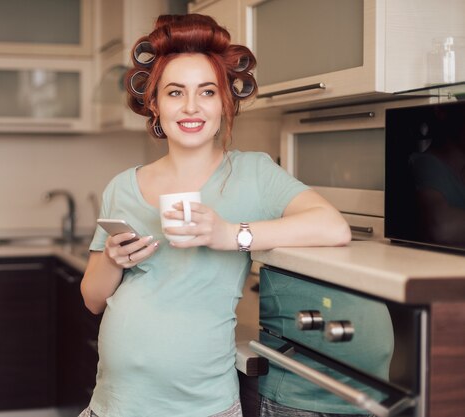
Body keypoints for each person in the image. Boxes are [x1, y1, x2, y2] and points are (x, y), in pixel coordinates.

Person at [79, 13, 351, 417]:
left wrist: (231, 234)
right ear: (153, 105)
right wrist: (114, 260)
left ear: (225, 102)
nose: (191, 106)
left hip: (203, 406)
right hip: (113, 404)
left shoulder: (253, 174)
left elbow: (333, 227)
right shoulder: (123, 185)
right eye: (175, 93)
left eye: (207, 92)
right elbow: (92, 299)